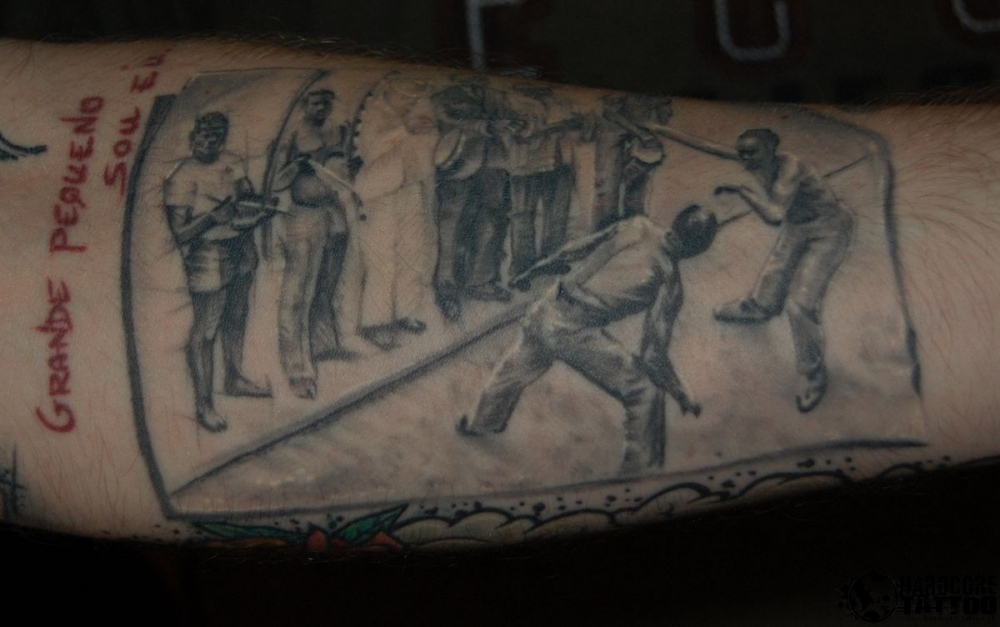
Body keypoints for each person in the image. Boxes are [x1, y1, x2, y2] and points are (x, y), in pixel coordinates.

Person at [457, 205, 715, 473]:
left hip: (547, 305)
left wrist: (536, 270)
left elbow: (576, 249)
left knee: (518, 364)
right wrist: (680, 393)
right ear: (697, 250)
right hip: (572, 330)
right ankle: (642, 471)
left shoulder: (638, 226)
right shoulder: (669, 282)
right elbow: (653, 355)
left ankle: (480, 422)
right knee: (645, 389)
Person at [712, 128, 854, 413]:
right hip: (797, 227)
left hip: (828, 229)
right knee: (774, 275)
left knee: (800, 305)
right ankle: (759, 307)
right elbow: (707, 146)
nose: (745, 160)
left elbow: (775, 215)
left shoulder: (790, 169)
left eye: (751, 153)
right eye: (741, 154)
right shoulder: (756, 158)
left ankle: (813, 373)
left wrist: (742, 191)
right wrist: (659, 130)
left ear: (770, 150)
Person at [163, 112, 271, 432]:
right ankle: (204, 404)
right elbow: (179, 234)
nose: (210, 141)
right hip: (208, 253)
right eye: (205, 135)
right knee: (205, 331)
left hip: (241, 244)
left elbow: (246, 194)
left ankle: (234, 377)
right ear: (192, 137)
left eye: (217, 136)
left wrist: (256, 206)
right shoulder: (182, 176)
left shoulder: (231, 161)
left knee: (237, 315)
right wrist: (212, 217)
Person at [273, 88, 359, 399]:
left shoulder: (337, 131)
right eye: (316, 102)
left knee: (328, 282)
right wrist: (297, 166)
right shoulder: (292, 135)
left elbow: (345, 172)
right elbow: (275, 181)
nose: (322, 107)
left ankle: (323, 344)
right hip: (304, 216)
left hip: (333, 213)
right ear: (304, 104)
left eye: (327, 102)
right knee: (297, 293)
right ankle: (298, 369)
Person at [431, 76, 523, 320]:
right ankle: (446, 285)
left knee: (492, 222)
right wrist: (488, 127)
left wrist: (516, 125)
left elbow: (510, 119)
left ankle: (481, 281)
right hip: (458, 164)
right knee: (450, 226)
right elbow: (447, 117)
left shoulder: (496, 94)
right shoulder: (447, 92)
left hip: (494, 164)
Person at [592, 94, 674, 231]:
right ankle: (604, 233)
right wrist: (640, 133)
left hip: (644, 129)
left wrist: (651, 128)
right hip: (613, 127)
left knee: (637, 184)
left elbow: (664, 111)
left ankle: (633, 231)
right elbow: (609, 111)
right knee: (607, 187)